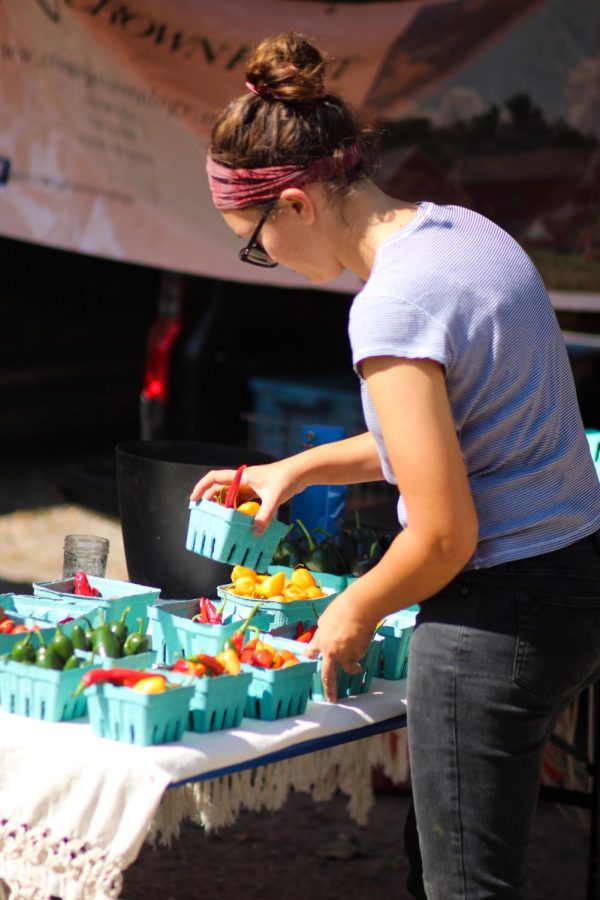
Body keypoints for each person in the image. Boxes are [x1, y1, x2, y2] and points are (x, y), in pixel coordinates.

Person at [191, 31, 600, 900]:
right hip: (570, 575)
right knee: (450, 863)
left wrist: (356, 604)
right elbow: (455, 436)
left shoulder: (392, 306)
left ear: (297, 203)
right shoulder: (461, 234)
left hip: (499, 608)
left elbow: (446, 533)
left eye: (256, 241)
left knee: (461, 886)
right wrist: (298, 469)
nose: (269, 263)